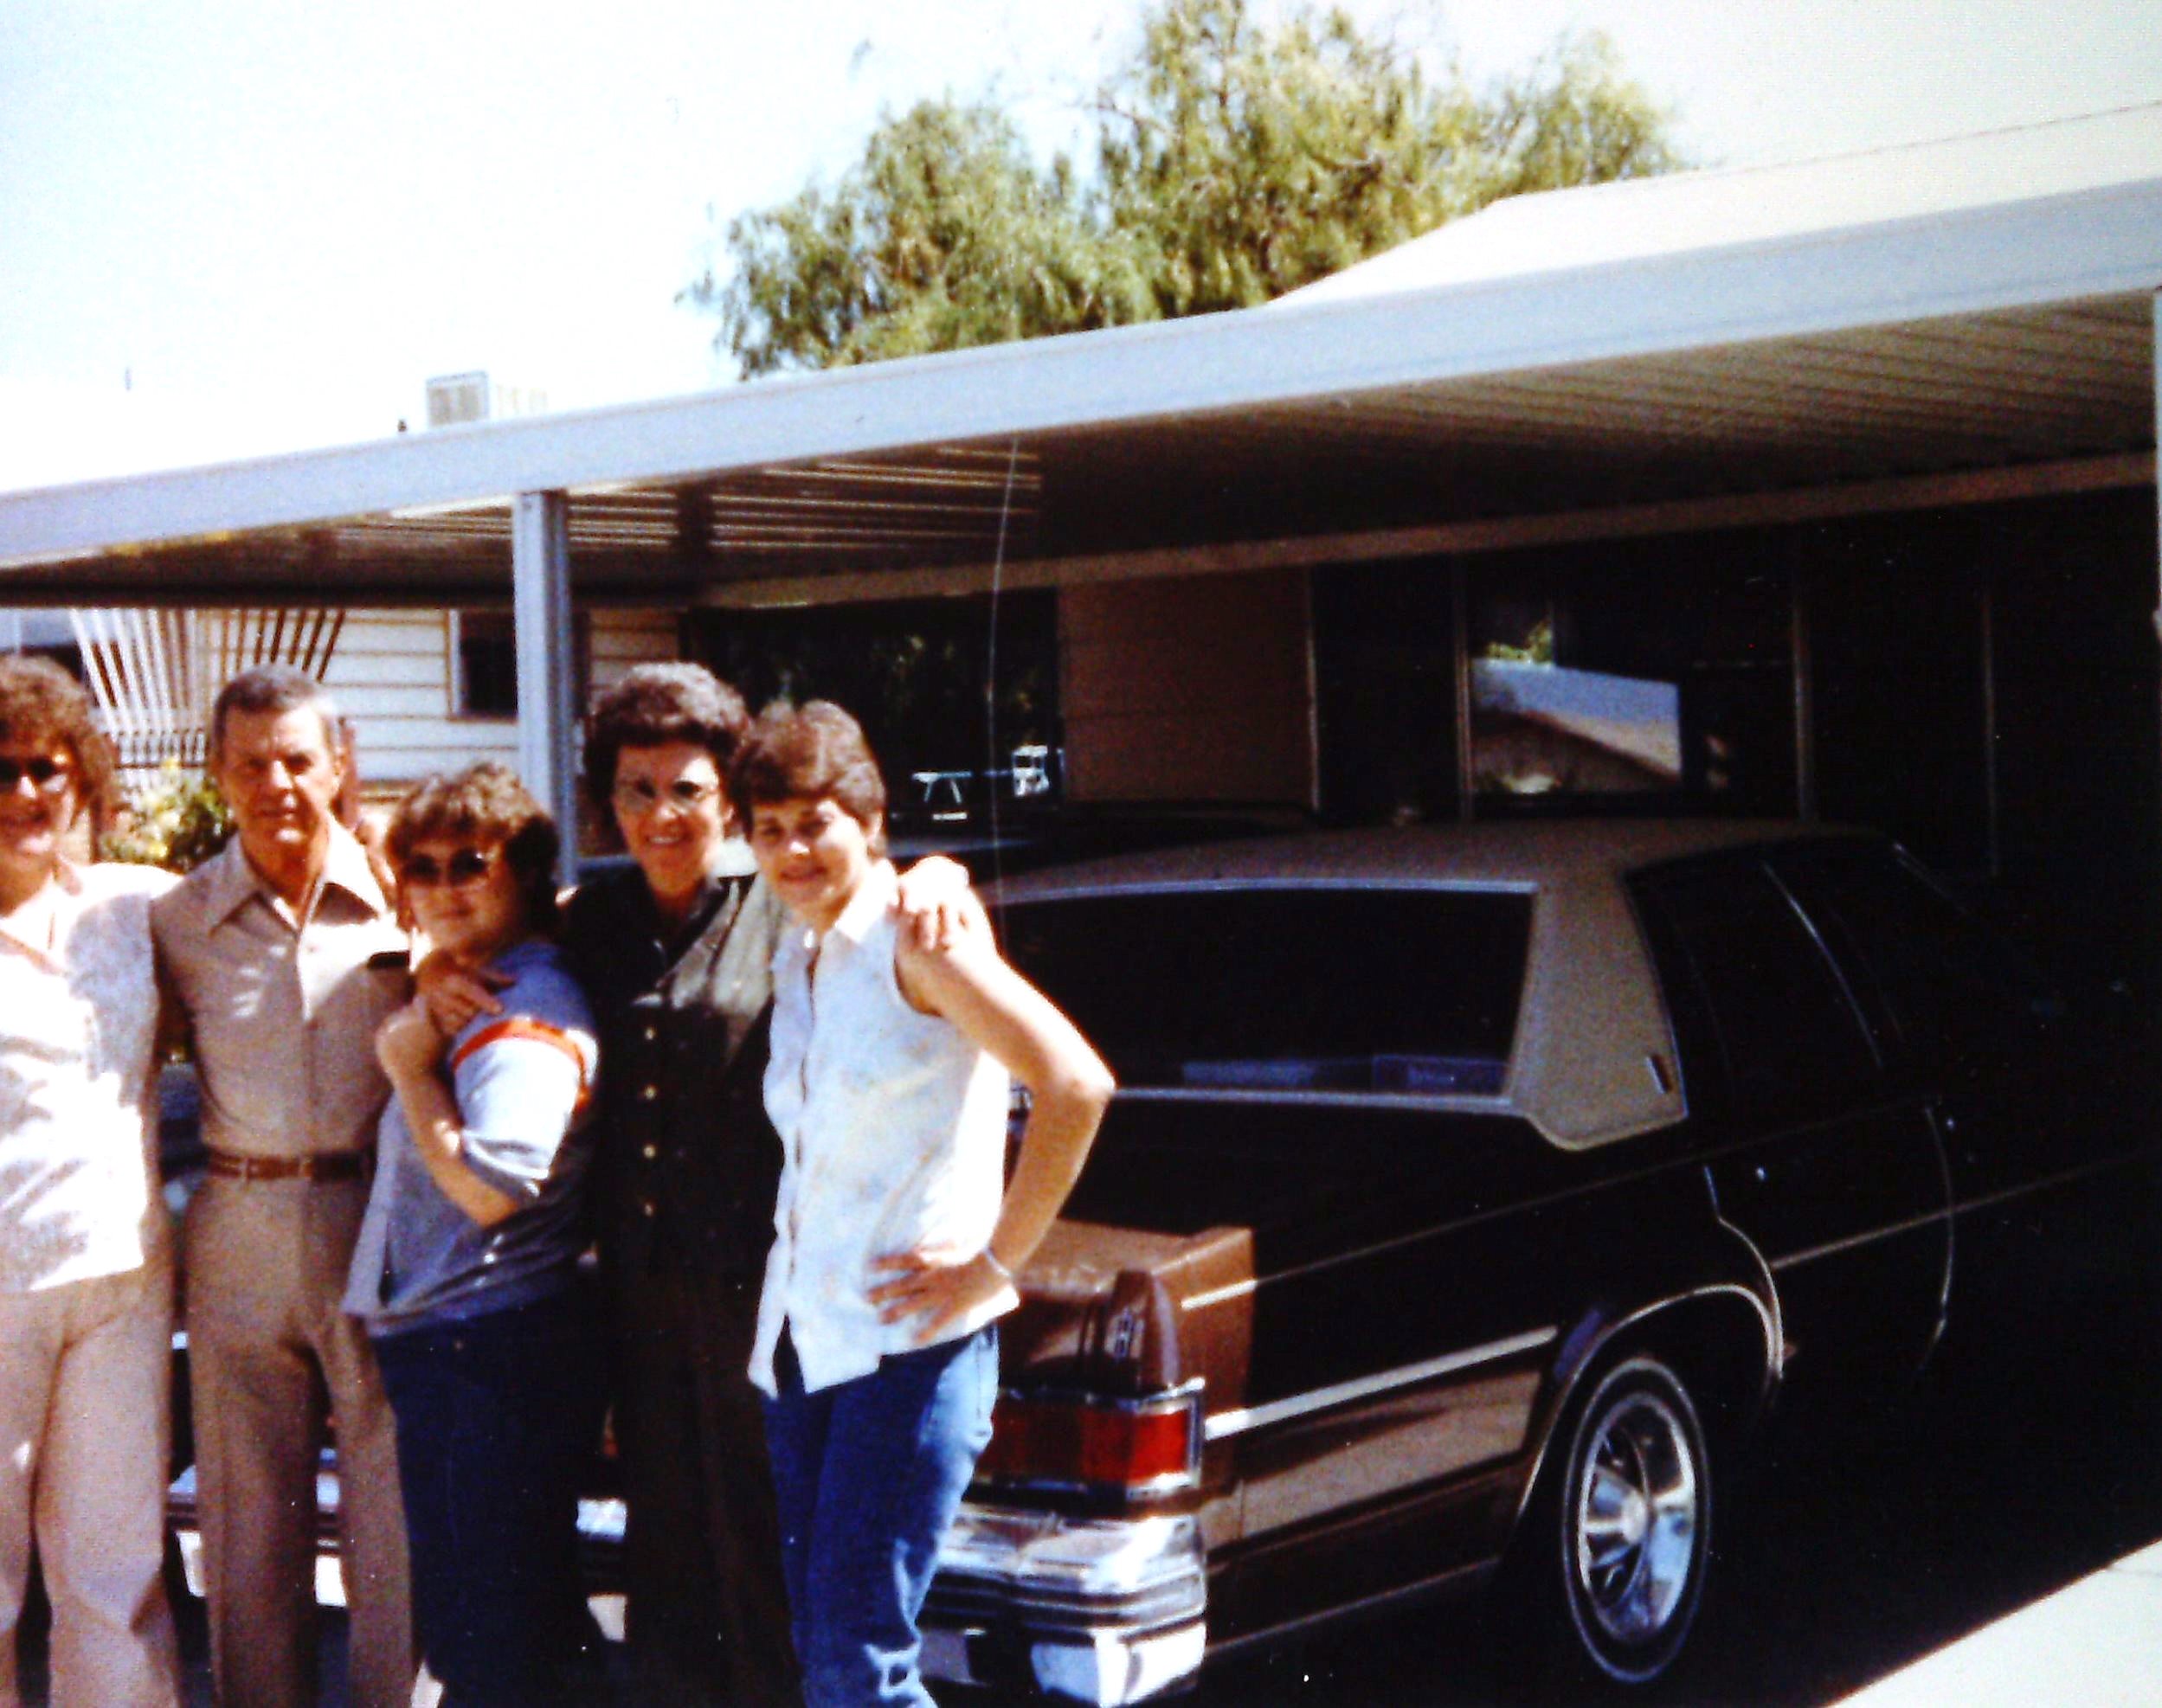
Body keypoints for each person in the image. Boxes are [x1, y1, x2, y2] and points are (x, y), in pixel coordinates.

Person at [503, 664, 975, 1708]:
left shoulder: (786, 905)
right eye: (635, 790)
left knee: (772, 1562)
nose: (660, 815)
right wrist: (436, 973)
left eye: (686, 789)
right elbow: (475, 937)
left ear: (726, 797)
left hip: (768, 1301)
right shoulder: (591, 923)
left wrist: (938, 870)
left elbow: (881, 896)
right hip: (641, 1302)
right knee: (667, 1563)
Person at [733, 700, 1113, 1708]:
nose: (792, 850)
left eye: (814, 823)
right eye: (769, 829)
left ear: (869, 821)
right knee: (829, 1648)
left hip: (910, 1351)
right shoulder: (797, 950)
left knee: (858, 1660)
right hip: (805, 1344)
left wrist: (993, 1267)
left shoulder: (922, 941)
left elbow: (1076, 1084)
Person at [151, 665, 414, 1708]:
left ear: (338, 766)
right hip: (241, 1224)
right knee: (246, 1518)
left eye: (298, 760)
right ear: (219, 774)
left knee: (393, 1514)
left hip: (377, 1223)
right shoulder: (176, 918)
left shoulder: (404, 887)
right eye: (252, 764)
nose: (278, 785)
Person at [345, 763, 602, 1708]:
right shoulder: (476, 983)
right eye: (423, 867)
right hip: (472, 1343)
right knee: (508, 1627)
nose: (445, 885)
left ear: (524, 873)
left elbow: (493, 1188)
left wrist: (408, 1068)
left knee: (488, 1645)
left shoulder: (521, 1009)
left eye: (471, 864)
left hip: (485, 1348)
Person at [0, 658, 181, 1708]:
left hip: (121, 1284)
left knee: (117, 1580)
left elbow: (278, 888)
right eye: (3, 771)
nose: (27, 792)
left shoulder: (132, 906)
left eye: (48, 769)